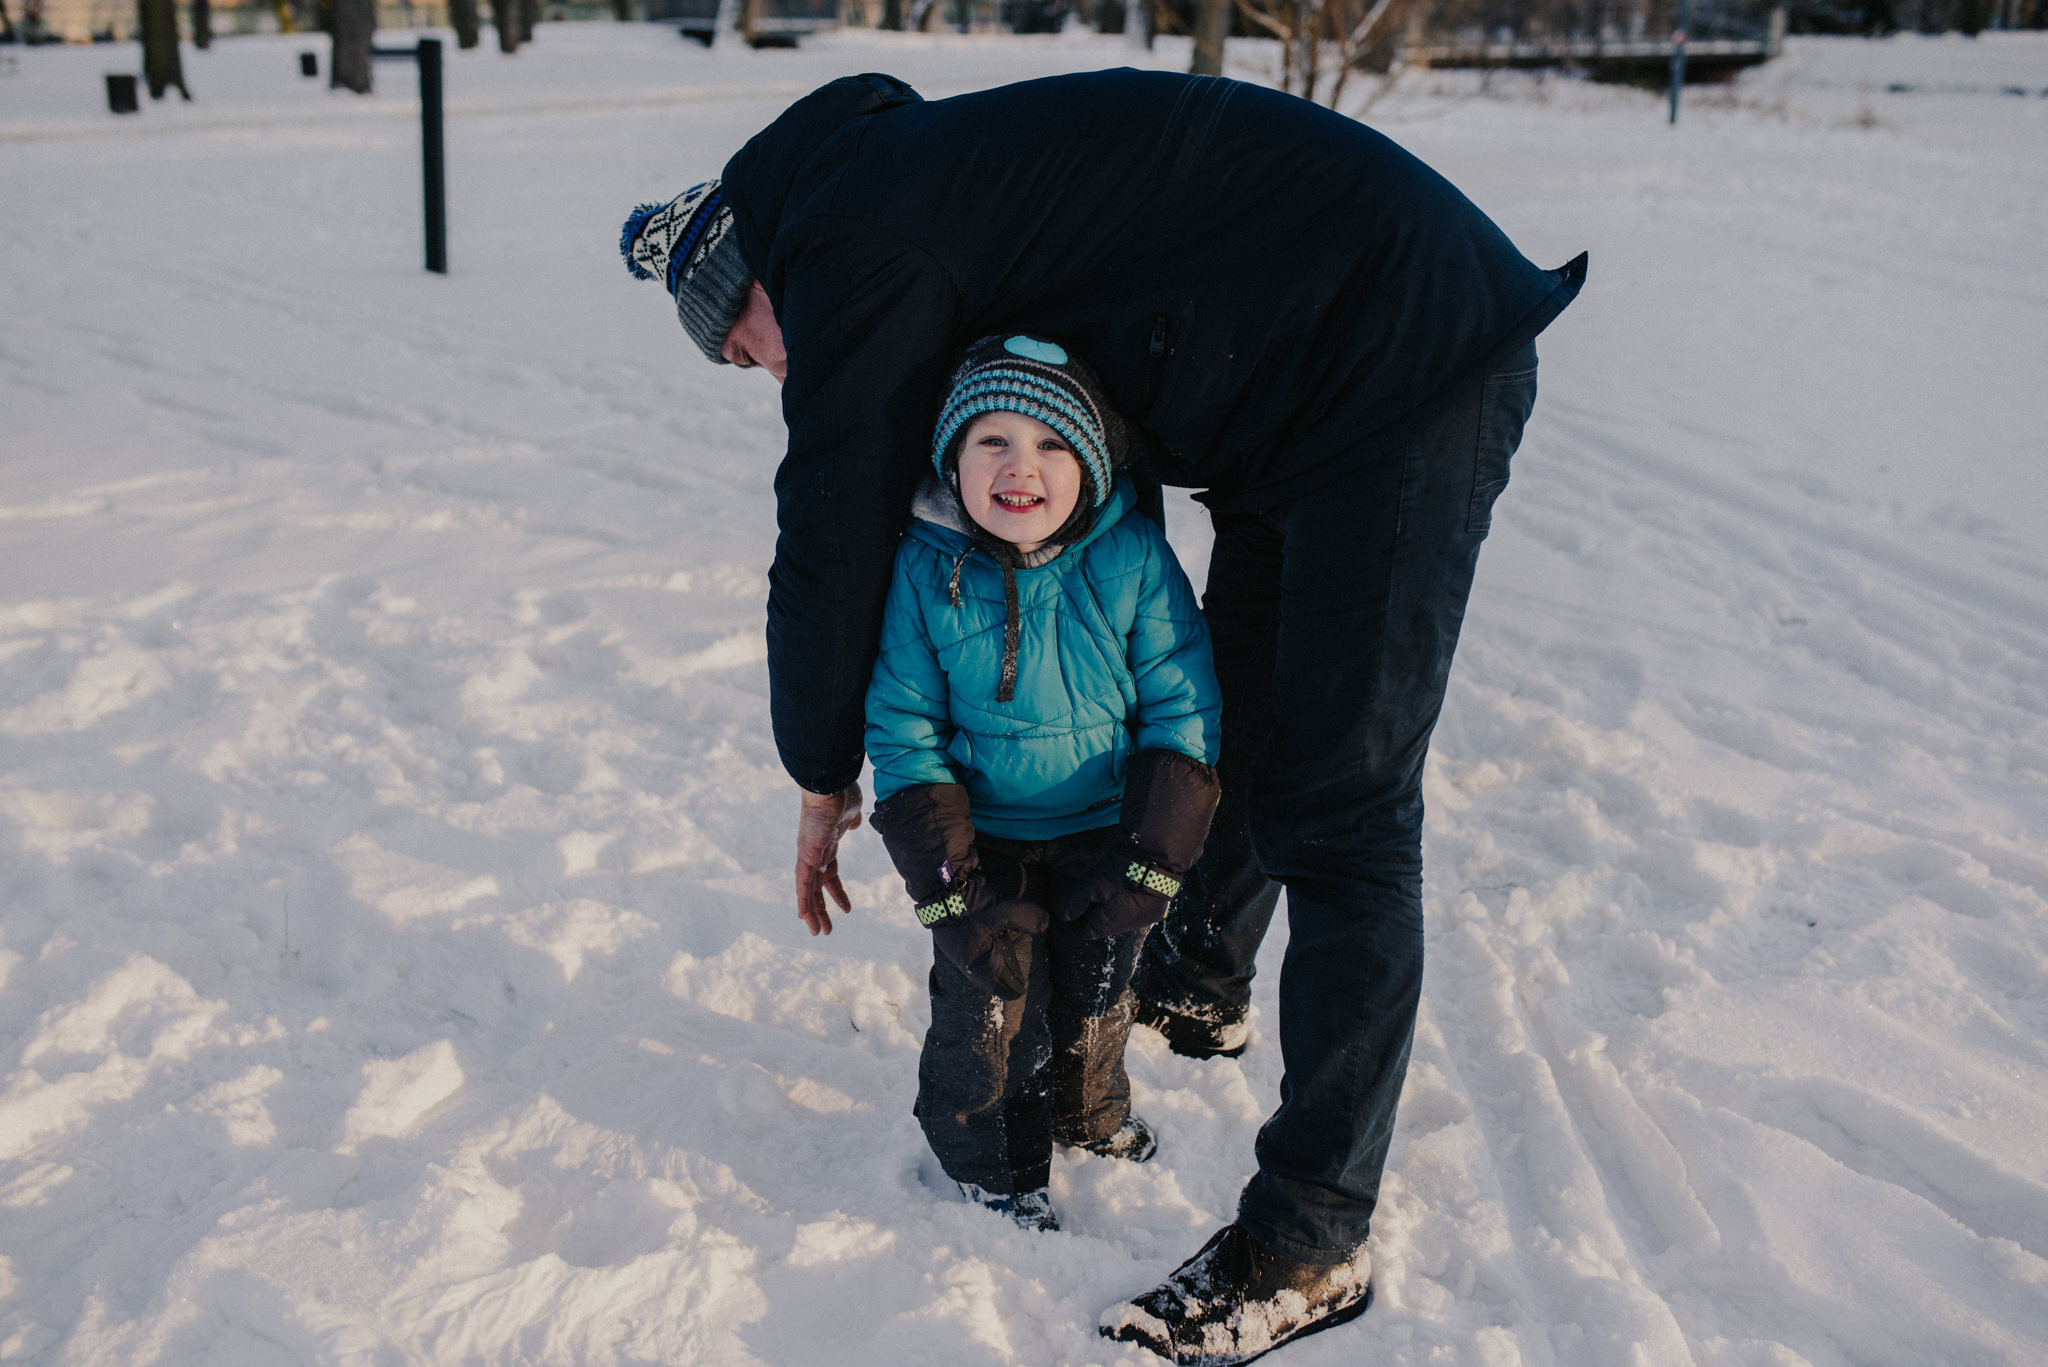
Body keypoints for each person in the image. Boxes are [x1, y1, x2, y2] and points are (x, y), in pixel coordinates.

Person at [621, 68, 1583, 1364]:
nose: (751, 363)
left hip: (1396, 360)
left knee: (1343, 811)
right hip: (1298, 399)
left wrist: (817, 769)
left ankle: (1311, 1237)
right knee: (1225, 716)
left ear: (748, 278)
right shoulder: (884, 189)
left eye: (734, 340)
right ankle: (1197, 976)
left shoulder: (849, 238)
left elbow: (832, 522)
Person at [861, 332, 1221, 1231]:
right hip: (984, 842)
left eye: (1053, 444)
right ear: (954, 459)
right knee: (988, 999)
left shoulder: (1131, 557)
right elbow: (904, 728)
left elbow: (1182, 700)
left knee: (1103, 981)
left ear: (1091, 466)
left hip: (1111, 827)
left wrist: (1154, 859)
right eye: (994, 441)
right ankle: (987, 1157)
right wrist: (951, 888)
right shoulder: (923, 565)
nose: (1021, 468)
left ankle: (1086, 1110)